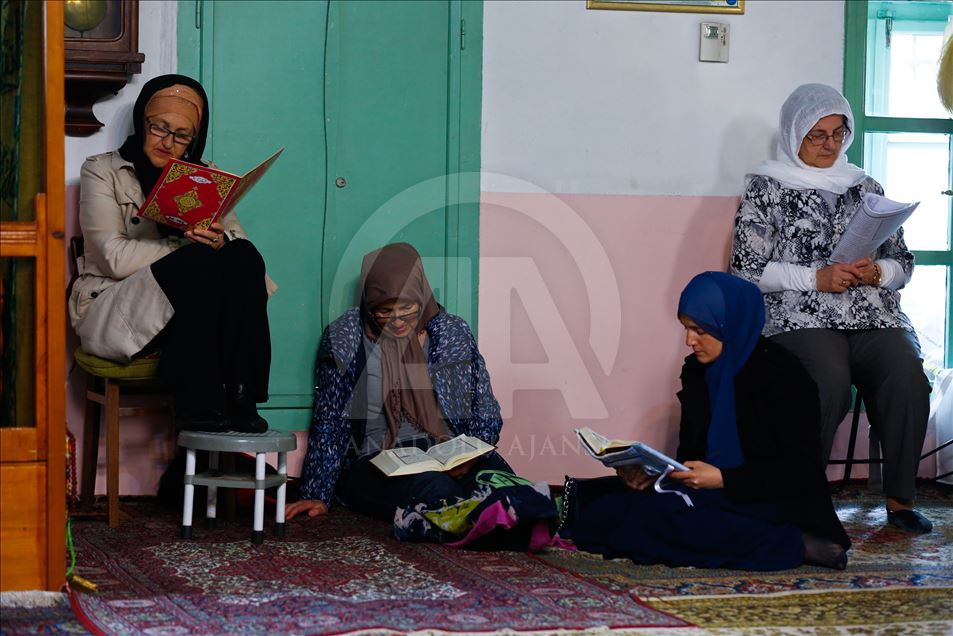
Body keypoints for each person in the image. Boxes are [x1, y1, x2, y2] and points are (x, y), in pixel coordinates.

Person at [730, 83, 932, 534]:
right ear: (793, 135)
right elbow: (746, 270)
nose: (829, 145)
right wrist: (815, 278)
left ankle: (901, 500)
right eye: (816, 136)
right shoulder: (767, 187)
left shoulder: (866, 187)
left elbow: (903, 263)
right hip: (800, 314)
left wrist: (876, 272)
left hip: (870, 313)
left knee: (906, 374)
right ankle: (805, 500)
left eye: (838, 134)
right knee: (827, 380)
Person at [567, 272, 850, 571]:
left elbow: (799, 471)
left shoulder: (785, 378)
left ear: (729, 324)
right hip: (711, 494)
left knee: (661, 519)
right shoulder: (698, 372)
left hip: (770, 500)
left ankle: (795, 543)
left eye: (700, 330)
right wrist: (654, 473)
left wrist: (725, 479)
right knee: (603, 507)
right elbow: (691, 454)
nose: (690, 341)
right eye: (686, 329)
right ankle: (760, 540)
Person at [69, 74, 273, 434]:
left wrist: (220, 242)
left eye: (181, 136)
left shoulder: (206, 178)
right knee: (196, 261)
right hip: (119, 311)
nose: (167, 142)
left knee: (243, 255)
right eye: (159, 127)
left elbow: (239, 250)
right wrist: (182, 246)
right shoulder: (102, 171)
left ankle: (243, 395)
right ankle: (198, 400)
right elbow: (112, 257)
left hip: (197, 316)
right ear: (141, 122)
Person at [286, 242, 511, 521]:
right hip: (378, 461)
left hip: (449, 452)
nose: (397, 321)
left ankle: (493, 519)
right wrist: (316, 492)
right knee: (434, 489)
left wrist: (471, 454)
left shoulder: (452, 333)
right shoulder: (346, 339)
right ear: (369, 305)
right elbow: (331, 421)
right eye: (383, 310)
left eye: (407, 308)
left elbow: (484, 407)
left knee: (503, 483)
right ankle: (477, 522)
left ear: (422, 295)